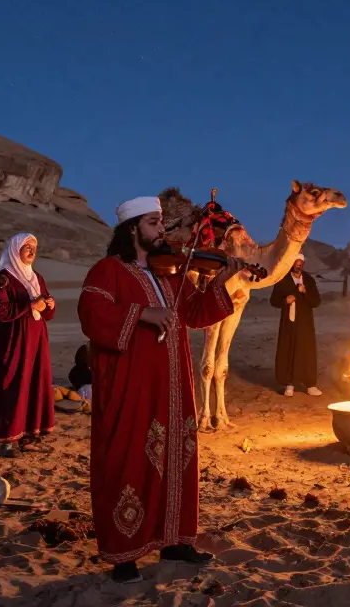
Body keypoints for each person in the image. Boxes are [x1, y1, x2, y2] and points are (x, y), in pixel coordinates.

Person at [77, 196, 244, 584]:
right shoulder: (108, 271)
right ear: (133, 229)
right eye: (154, 223)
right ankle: (124, 554)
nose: (162, 230)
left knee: (176, 460)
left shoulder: (171, 274)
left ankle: (175, 541)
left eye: (162, 223)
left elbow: (197, 315)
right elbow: (91, 314)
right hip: (130, 389)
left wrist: (221, 280)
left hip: (173, 388)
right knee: (128, 461)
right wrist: (142, 314)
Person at [0, 233, 56, 458]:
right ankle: (8, 441)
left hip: (36, 341)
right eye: (26, 247)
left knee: (34, 384)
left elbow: (47, 313)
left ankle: (28, 436)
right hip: (14, 342)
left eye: (34, 247)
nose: (32, 251)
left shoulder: (37, 277)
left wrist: (49, 304)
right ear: (15, 249)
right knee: (13, 385)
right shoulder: (4, 278)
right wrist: (30, 305)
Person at [270, 254, 322, 397]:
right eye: (295, 262)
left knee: (307, 352)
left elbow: (316, 302)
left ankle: (310, 384)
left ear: (303, 264)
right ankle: (289, 384)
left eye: (300, 263)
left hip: (305, 323)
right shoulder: (283, 280)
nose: (298, 265)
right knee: (288, 350)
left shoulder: (309, 281)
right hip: (289, 324)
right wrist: (285, 301)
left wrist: (305, 292)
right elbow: (273, 301)